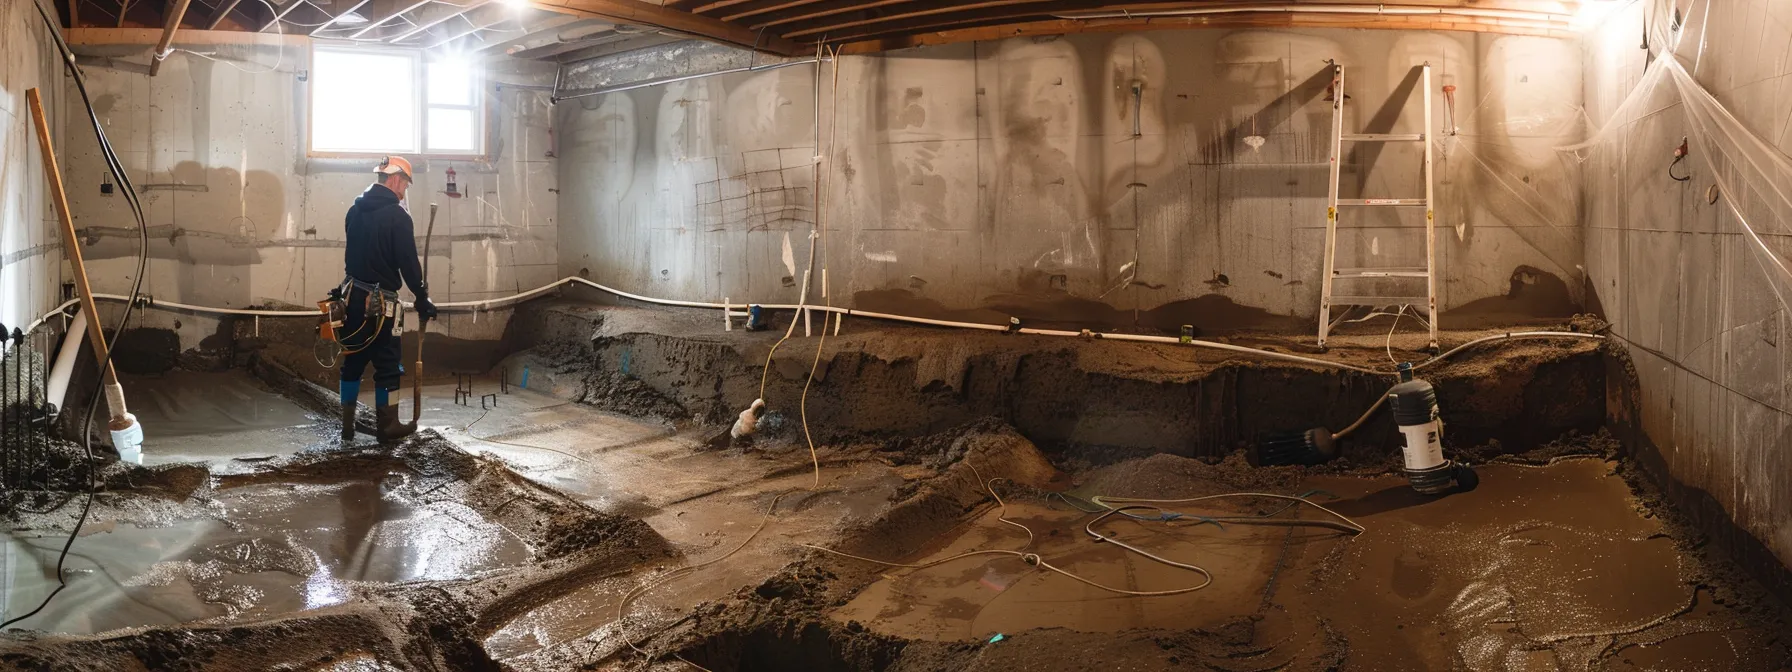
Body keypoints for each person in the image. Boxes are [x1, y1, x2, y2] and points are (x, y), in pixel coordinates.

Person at [337, 156, 436, 442]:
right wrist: (421, 297)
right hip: (382, 306)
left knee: (352, 360)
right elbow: (408, 263)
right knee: (388, 364)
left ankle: (347, 427)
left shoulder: (353, 211)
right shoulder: (398, 217)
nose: (405, 191)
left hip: (352, 297)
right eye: (405, 184)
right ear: (394, 179)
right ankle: (388, 425)